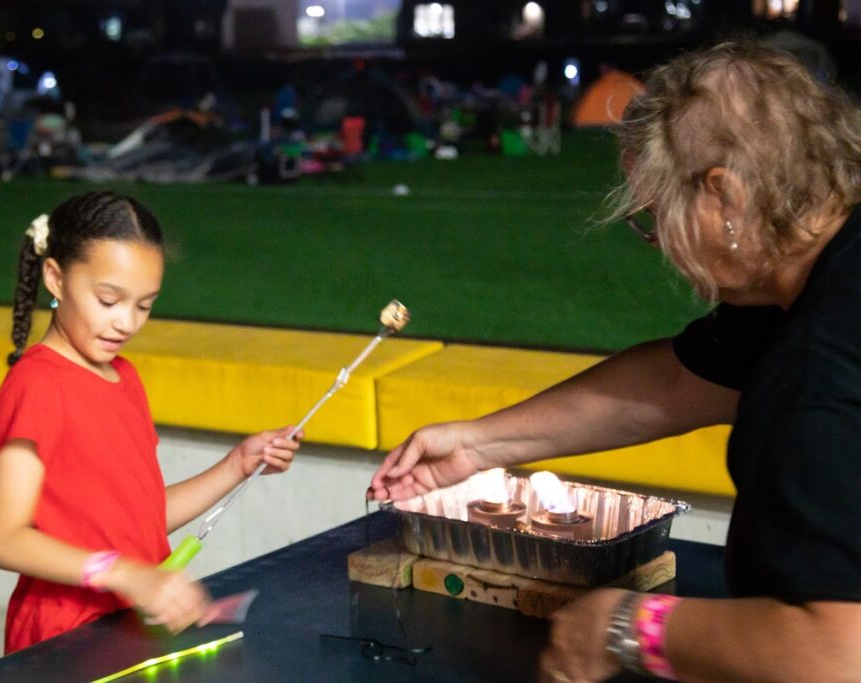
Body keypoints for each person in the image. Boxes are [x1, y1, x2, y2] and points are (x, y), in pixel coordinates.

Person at [369, 41, 861, 683]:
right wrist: (478, 446)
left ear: (727, 196)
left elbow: (836, 652)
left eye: (657, 216)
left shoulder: (817, 370)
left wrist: (626, 626)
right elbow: (680, 379)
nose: (663, 246)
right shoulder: (814, 284)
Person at [0, 191, 302, 653]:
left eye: (144, 305)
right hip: (63, 637)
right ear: (55, 278)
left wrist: (236, 465)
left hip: (129, 623)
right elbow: (7, 539)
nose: (126, 323)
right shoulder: (35, 384)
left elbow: (141, 523)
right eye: (108, 299)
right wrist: (128, 574)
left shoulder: (125, 377)